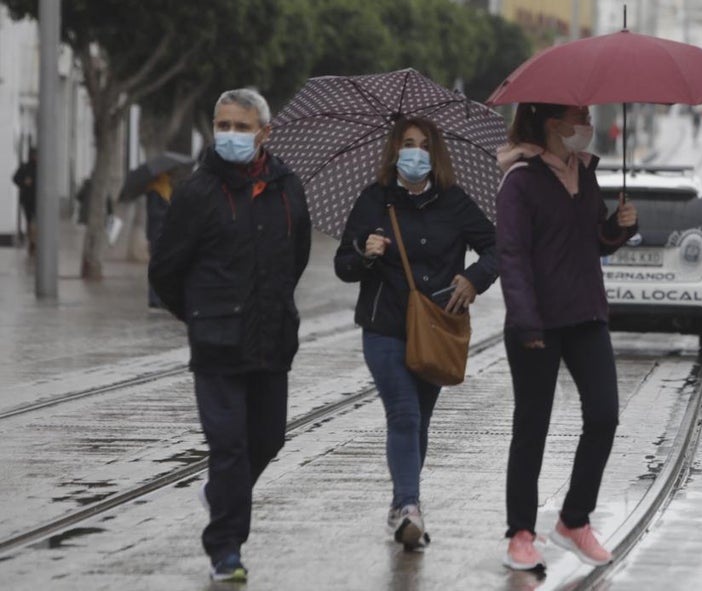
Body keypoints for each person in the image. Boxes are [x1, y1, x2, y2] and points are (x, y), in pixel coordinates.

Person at [148, 89, 312, 583]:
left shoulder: (288, 188)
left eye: (242, 127)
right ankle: (226, 549)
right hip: (217, 343)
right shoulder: (197, 192)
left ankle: (221, 493)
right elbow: (166, 270)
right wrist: (199, 314)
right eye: (223, 126)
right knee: (229, 448)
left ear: (264, 132)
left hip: (272, 338)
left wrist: (275, 301)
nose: (231, 136)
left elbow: (296, 254)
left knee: (267, 438)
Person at [333, 117, 498, 551]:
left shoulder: (456, 202)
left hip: (437, 329)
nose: (416, 153)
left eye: (425, 145)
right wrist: (363, 253)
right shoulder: (374, 200)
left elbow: (499, 248)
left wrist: (472, 279)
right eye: (408, 143)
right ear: (394, 150)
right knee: (404, 415)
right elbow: (342, 267)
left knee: (420, 424)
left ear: (436, 154)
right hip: (384, 327)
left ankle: (402, 505)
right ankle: (410, 506)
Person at [495, 103, 638, 573]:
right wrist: (526, 320)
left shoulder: (586, 173)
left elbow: (590, 240)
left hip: (586, 314)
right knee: (531, 427)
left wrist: (618, 229)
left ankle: (574, 520)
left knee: (604, 414)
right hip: (535, 323)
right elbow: (513, 256)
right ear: (553, 123)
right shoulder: (520, 181)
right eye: (579, 116)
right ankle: (520, 534)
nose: (587, 126)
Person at [145, 172, 173, 309]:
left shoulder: (166, 191)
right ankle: (153, 298)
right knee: (156, 266)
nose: (168, 178)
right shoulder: (154, 191)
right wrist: (168, 211)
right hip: (156, 233)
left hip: (164, 233)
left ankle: (160, 297)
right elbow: (153, 212)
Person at [11, 147, 36, 253]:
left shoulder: (42, 168)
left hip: (38, 200)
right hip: (27, 199)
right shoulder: (25, 167)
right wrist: (24, 183)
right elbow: (15, 178)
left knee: (37, 221)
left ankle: (35, 240)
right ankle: (32, 241)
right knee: (29, 221)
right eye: (34, 155)